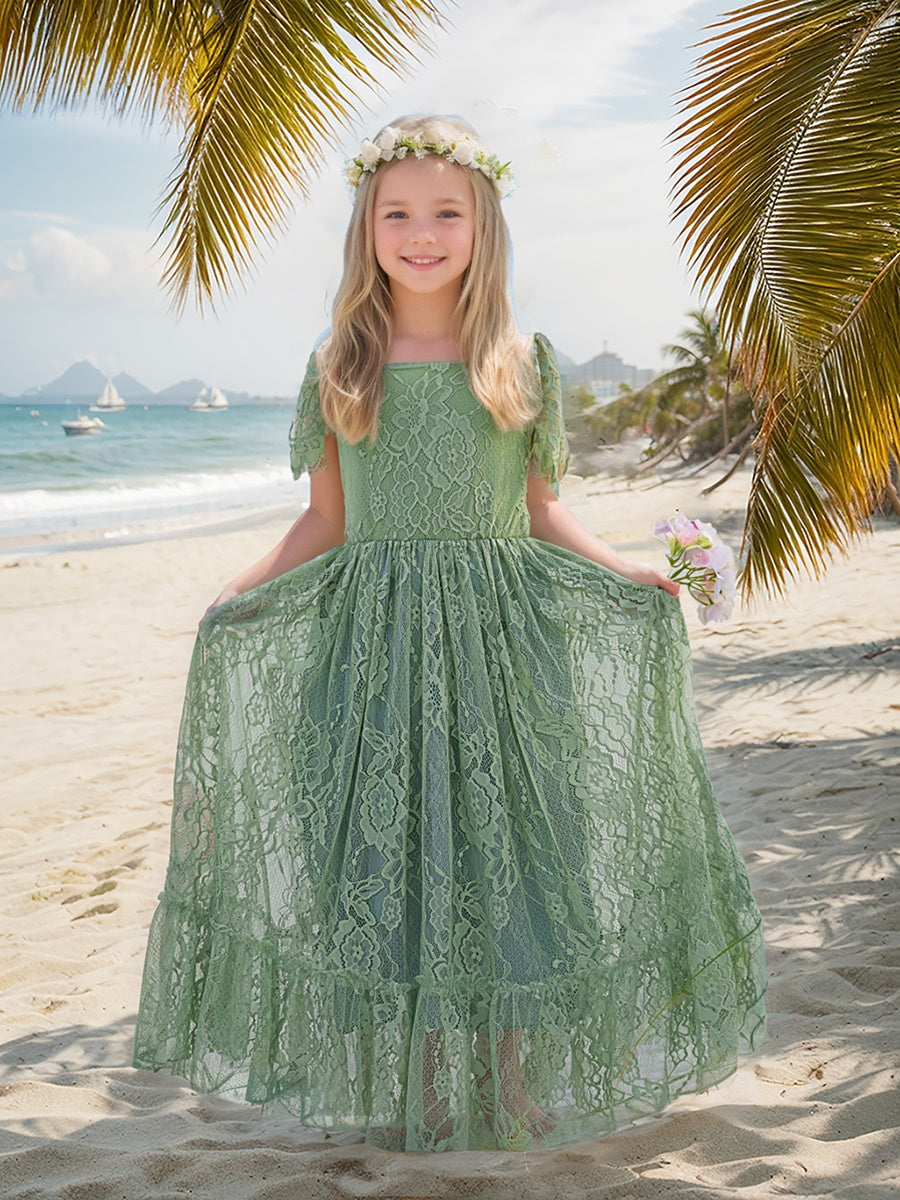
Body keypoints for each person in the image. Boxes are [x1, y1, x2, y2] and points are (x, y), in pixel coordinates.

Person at [133, 114, 767, 1153]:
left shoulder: (518, 359)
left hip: (503, 650)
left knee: (509, 859)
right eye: (398, 214)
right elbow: (326, 520)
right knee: (394, 867)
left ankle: (508, 1085)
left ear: (485, 226)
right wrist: (236, 592)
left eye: (445, 213)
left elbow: (540, 509)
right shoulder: (342, 360)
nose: (421, 234)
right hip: (373, 651)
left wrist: (622, 568)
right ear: (365, 229)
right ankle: (427, 1086)